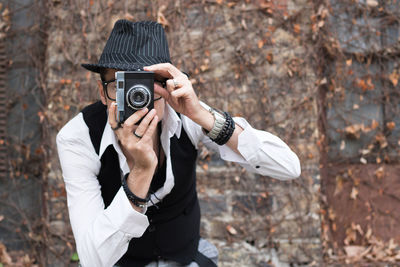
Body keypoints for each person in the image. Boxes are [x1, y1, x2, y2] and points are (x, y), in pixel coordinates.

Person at [56, 20, 301, 267]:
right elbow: (92, 260)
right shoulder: (79, 137)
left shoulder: (184, 112)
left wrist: (204, 117)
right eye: (123, 85)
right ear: (102, 91)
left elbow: (289, 167)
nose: (138, 98)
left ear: (168, 84)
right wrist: (141, 172)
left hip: (186, 256)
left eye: (147, 85)